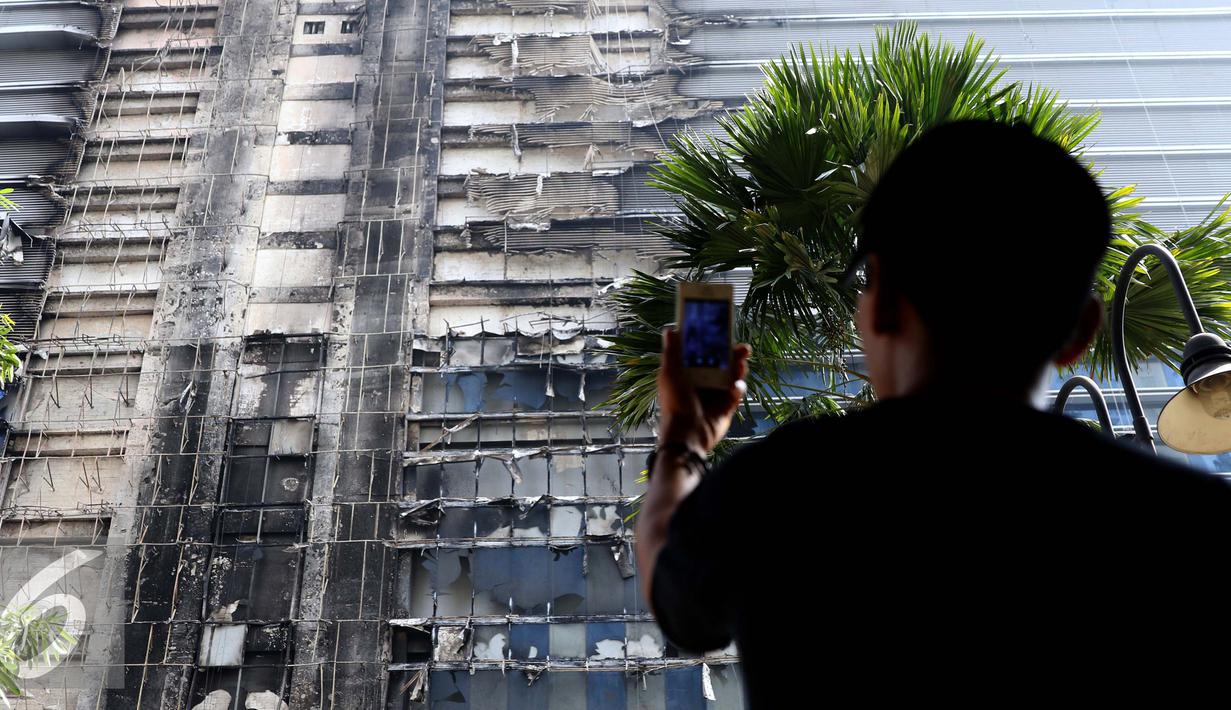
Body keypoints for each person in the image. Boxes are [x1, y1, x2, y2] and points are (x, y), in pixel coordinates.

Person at [636, 120, 1231, 706]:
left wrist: (684, 437)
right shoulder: (1195, 528)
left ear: (885, 302)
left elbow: (676, 598)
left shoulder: (784, 487)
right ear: (1081, 332)